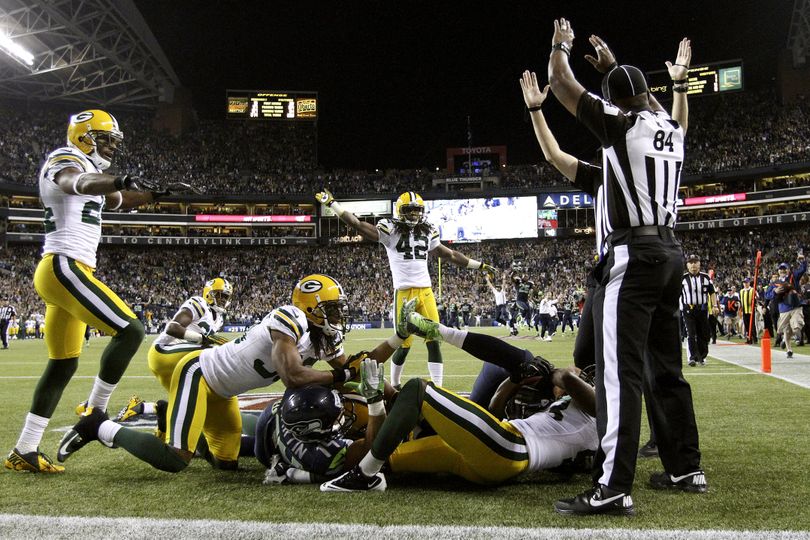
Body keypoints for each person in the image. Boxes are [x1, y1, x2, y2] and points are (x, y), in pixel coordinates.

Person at [548, 20, 704, 515]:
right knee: (668, 371)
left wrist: (560, 47)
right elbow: (667, 110)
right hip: (671, 254)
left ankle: (613, 486)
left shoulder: (620, 127)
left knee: (619, 375)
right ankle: (685, 467)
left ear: (616, 102)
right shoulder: (671, 130)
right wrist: (632, 74)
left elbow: (561, 84)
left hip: (632, 256)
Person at [56, 274, 411, 473]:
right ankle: (100, 425)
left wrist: (399, 335)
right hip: (199, 375)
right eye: (331, 309)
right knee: (174, 459)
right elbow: (292, 376)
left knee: (225, 463)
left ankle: (175, 422)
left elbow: (354, 366)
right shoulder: (290, 317)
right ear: (309, 307)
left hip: (223, 393)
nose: (337, 316)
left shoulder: (321, 337)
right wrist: (339, 379)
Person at [5, 109, 195, 474]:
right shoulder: (66, 160)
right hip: (63, 265)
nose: (110, 146)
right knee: (132, 329)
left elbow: (119, 199)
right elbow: (76, 183)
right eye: (105, 138)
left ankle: (24, 449)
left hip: (69, 268)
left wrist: (157, 192)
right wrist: (117, 178)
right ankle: (95, 410)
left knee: (63, 364)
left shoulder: (91, 170)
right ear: (83, 136)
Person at [320, 311, 598, 495]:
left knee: (418, 389)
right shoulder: (576, 413)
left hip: (507, 448)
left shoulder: (599, 413)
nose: (579, 375)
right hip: (491, 456)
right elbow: (494, 413)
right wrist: (517, 380)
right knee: (390, 462)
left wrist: (556, 373)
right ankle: (302, 471)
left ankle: (364, 476)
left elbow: (572, 381)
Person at [315, 189, 495, 387]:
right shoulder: (390, 229)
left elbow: (450, 255)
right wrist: (333, 204)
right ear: (400, 211)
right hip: (404, 293)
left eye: (417, 211)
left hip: (425, 291)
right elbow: (357, 224)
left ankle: (439, 388)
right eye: (409, 210)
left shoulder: (428, 231)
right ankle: (395, 383)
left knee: (434, 340)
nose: (414, 215)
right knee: (403, 343)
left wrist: (480, 265)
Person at [681, 254, 718, 367]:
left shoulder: (706, 277)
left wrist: (715, 306)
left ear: (699, 264)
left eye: (695, 262)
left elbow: (712, 292)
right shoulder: (682, 278)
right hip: (688, 310)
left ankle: (702, 357)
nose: (693, 265)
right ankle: (692, 358)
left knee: (703, 334)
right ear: (687, 265)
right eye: (691, 263)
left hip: (702, 309)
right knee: (691, 334)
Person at [740, 277, 758, 344]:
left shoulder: (752, 290)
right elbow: (741, 301)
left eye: (746, 282)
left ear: (749, 283)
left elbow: (756, 298)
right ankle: (748, 338)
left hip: (751, 310)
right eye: (744, 283)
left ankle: (754, 338)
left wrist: (755, 302)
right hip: (745, 310)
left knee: (752, 325)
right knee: (746, 325)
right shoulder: (741, 291)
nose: (745, 284)